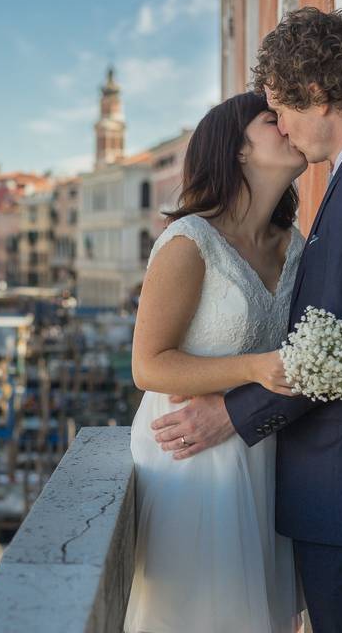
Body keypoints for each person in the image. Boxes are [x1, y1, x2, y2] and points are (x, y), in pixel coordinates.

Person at [147, 8, 342, 632]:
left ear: (316, 93)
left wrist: (230, 412)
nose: (280, 122)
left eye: (282, 106)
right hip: (335, 490)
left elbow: (341, 345)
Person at [124, 90, 307, 633]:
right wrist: (254, 369)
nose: (289, 124)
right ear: (239, 150)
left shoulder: (293, 243)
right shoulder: (189, 241)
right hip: (191, 458)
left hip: (264, 452)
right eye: (273, 119)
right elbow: (148, 365)